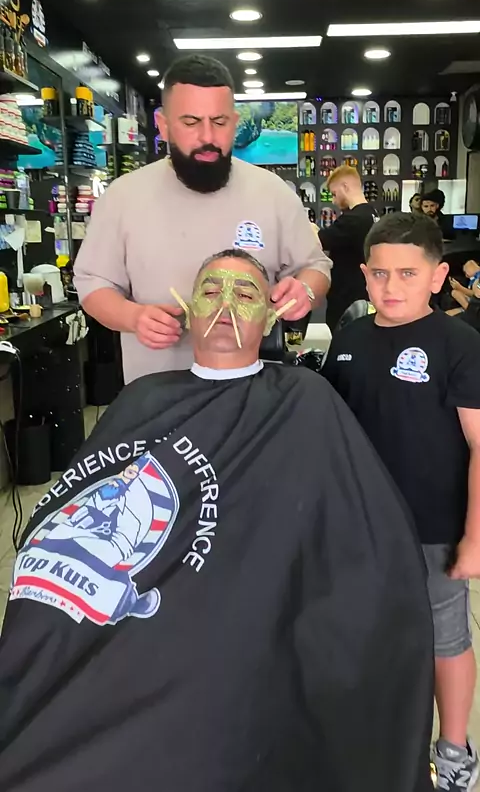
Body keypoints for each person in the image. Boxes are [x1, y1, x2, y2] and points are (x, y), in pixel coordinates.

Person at [0, 248, 434, 792]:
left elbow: (355, 527)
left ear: (270, 317)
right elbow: (75, 502)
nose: (226, 305)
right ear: (188, 310)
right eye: (210, 291)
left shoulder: (304, 398)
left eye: (246, 294)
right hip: (133, 601)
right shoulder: (143, 397)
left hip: (233, 613)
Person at [322, 212, 480, 792]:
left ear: (437, 277)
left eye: (408, 273)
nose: (391, 286)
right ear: (364, 273)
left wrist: (475, 536)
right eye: (380, 273)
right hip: (360, 523)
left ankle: (455, 749)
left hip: (433, 526)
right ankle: (377, 739)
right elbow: (329, 431)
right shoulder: (349, 340)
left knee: (445, 639)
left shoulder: (460, 345)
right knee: (368, 634)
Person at [74, 54, 331, 383]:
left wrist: (304, 290)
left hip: (253, 390)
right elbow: (93, 285)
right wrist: (132, 316)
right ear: (163, 124)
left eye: (219, 122)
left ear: (234, 122)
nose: (207, 136)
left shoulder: (273, 193)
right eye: (191, 122)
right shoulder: (123, 198)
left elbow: (316, 267)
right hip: (157, 390)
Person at [318, 165, 379, 331]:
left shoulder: (354, 219)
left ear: (345, 187)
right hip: (362, 292)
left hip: (348, 297)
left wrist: (308, 228)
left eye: (334, 194)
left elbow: (319, 241)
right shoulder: (372, 214)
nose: (333, 201)